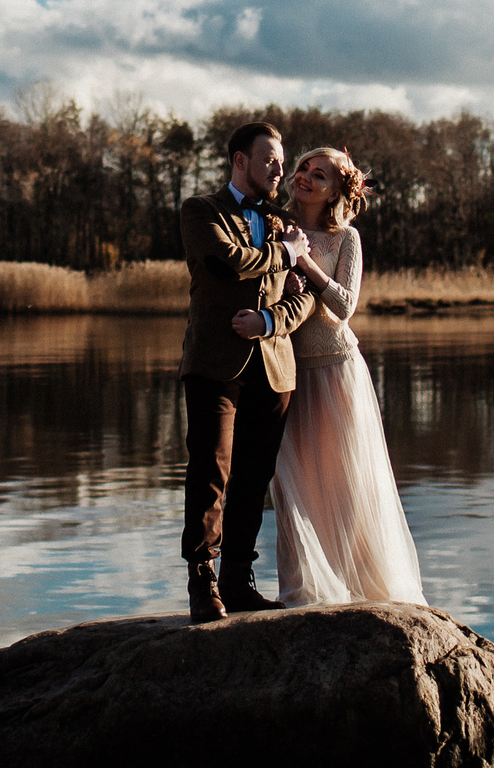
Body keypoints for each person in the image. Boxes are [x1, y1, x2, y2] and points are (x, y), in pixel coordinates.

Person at [257, 146, 426, 607]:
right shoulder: (272, 224)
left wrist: (304, 263)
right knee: (292, 488)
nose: (305, 178)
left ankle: (366, 590)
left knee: (346, 484)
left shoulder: (345, 238)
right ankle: (302, 592)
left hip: (335, 371)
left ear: (335, 191)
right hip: (287, 370)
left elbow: (345, 307)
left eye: (320, 175)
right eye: (304, 169)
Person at [179, 121, 318, 624]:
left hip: (275, 366)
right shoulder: (201, 211)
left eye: (281, 161)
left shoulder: (283, 222)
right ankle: (202, 582)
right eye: (269, 160)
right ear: (240, 161)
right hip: (215, 366)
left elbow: (305, 299)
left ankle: (239, 579)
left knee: (253, 478)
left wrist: (268, 320)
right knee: (211, 470)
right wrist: (287, 252)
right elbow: (227, 262)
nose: (279, 169)